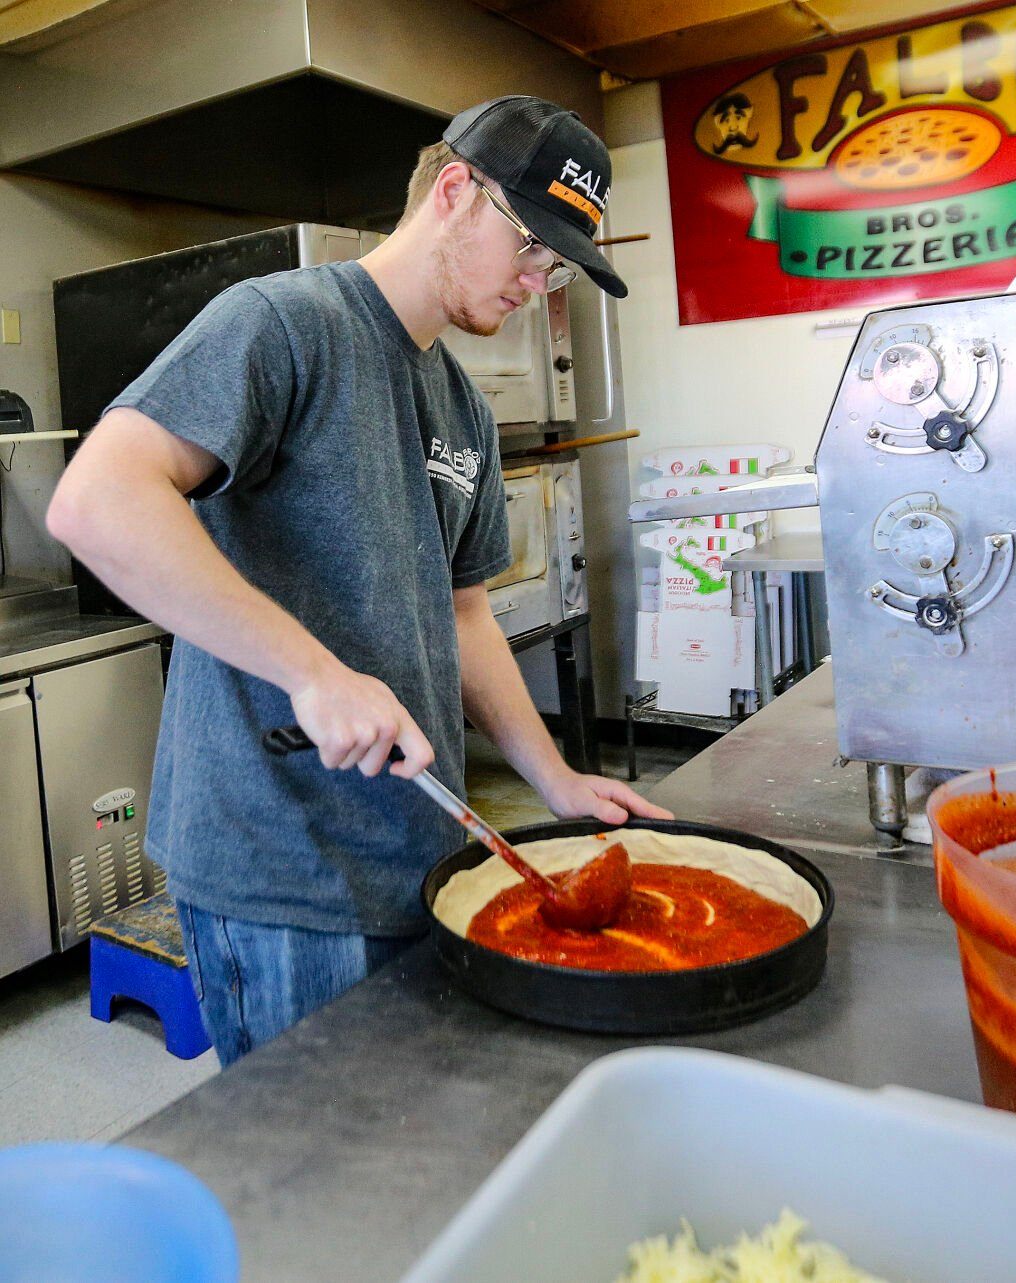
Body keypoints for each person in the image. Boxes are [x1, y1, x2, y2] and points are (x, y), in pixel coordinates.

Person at [48, 97, 670, 1066]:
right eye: (532, 248)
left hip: (415, 845)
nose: (539, 282)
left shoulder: (455, 396)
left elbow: (464, 611)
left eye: (560, 266)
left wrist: (553, 778)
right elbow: (96, 499)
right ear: (456, 192)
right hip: (283, 864)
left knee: (401, 1148)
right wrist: (314, 671)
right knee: (313, 1179)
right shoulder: (282, 324)